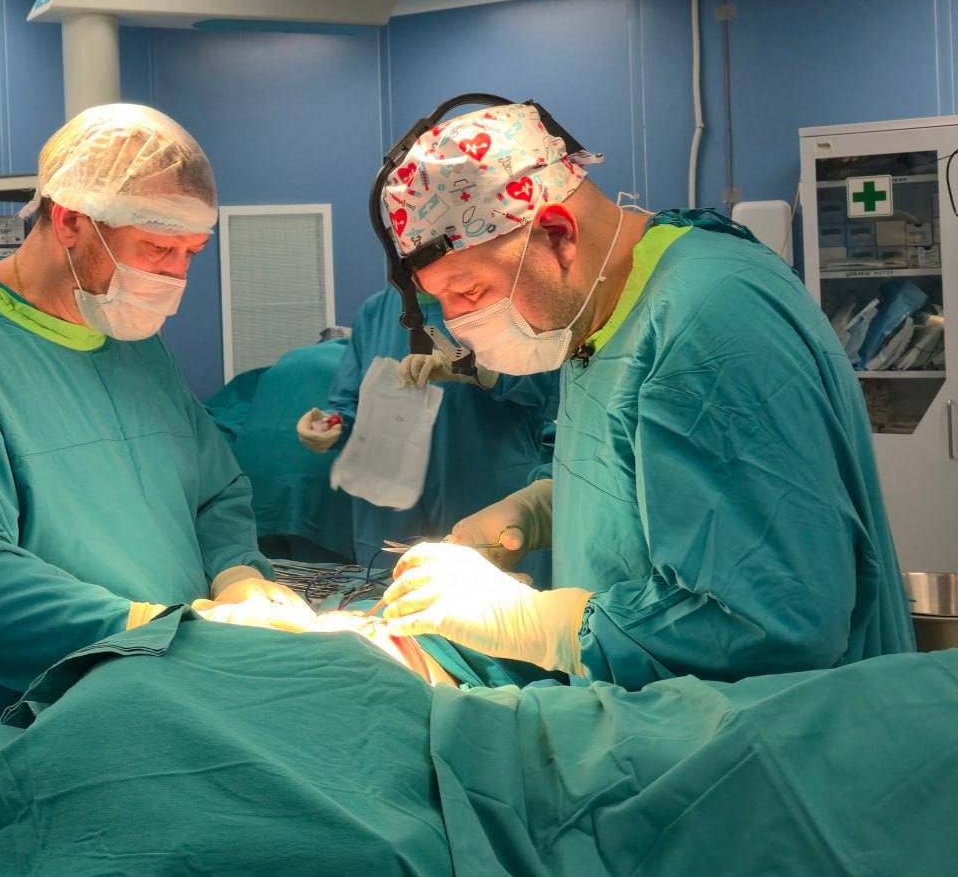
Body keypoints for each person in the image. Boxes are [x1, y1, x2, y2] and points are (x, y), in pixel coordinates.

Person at [0, 104, 312, 778]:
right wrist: (154, 629)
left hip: (145, 706)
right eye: (156, 249)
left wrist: (239, 578)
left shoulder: (135, 348)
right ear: (71, 221)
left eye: (190, 254)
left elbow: (212, 489)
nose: (174, 278)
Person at [375, 100, 914, 688]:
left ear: (557, 235)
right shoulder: (599, 309)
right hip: (665, 712)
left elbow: (773, 621)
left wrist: (536, 623)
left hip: (771, 729)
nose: (459, 326)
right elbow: (654, 473)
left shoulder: (709, 319)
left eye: (470, 291)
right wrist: (545, 505)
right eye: (441, 302)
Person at [295, 285, 558, 572]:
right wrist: (332, 425)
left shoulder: (504, 303)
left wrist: (483, 372)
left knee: (490, 590)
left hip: (483, 495)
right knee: (390, 593)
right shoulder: (376, 312)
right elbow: (348, 402)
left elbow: (556, 390)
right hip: (388, 510)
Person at [205, 333, 356, 562]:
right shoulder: (358, 367)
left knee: (266, 575)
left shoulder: (278, 366)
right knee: (333, 577)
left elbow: (218, 417)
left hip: (256, 490)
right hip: (320, 493)